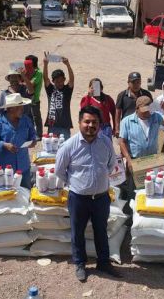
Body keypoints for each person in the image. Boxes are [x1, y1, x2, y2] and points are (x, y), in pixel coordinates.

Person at [54, 105, 121, 282]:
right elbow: (60, 171)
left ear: (99, 124)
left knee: (101, 230)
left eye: (95, 122)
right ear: (79, 123)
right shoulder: (68, 146)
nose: (90, 125)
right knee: (78, 231)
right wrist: (76, 184)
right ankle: (80, 263)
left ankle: (103, 262)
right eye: (87, 121)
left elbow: (110, 164)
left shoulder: (106, 142)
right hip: (78, 198)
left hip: (101, 198)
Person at [119, 96, 164, 200]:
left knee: (152, 190)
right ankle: (133, 212)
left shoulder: (155, 117)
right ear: (137, 109)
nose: (147, 113)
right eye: (144, 111)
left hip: (152, 161)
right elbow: (122, 142)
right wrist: (128, 159)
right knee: (135, 191)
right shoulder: (127, 121)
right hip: (136, 161)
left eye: (149, 110)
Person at [0, 93, 37, 188]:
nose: (22, 109)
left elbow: (33, 135)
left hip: (24, 167)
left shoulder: (26, 120)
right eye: (20, 107)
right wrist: (4, 145)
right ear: (11, 108)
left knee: (26, 194)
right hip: (6, 168)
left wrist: (33, 142)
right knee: (8, 196)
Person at [43, 53, 74, 139]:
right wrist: (45, 64)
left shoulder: (67, 90)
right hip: (52, 125)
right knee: (52, 150)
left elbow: (72, 79)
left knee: (66, 149)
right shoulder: (50, 89)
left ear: (64, 79)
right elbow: (45, 78)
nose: (60, 83)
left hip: (65, 126)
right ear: (53, 81)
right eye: (57, 81)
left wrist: (68, 64)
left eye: (61, 81)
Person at [114, 72, 153, 138]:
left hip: (143, 127)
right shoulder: (122, 95)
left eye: (138, 82)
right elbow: (118, 113)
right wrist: (117, 128)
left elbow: (151, 110)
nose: (136, 85)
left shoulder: (147, 94)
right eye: (133, 83)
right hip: (127, 127)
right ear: (128, 83)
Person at [25, 55, 44, 139]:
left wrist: (24, 77)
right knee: (29, 117)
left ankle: (39, 134)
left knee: (36, 118)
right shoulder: (28, 72)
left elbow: (31, 84)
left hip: (34, 99)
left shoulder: (38, 73)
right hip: (26, 99)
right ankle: (31, 134)